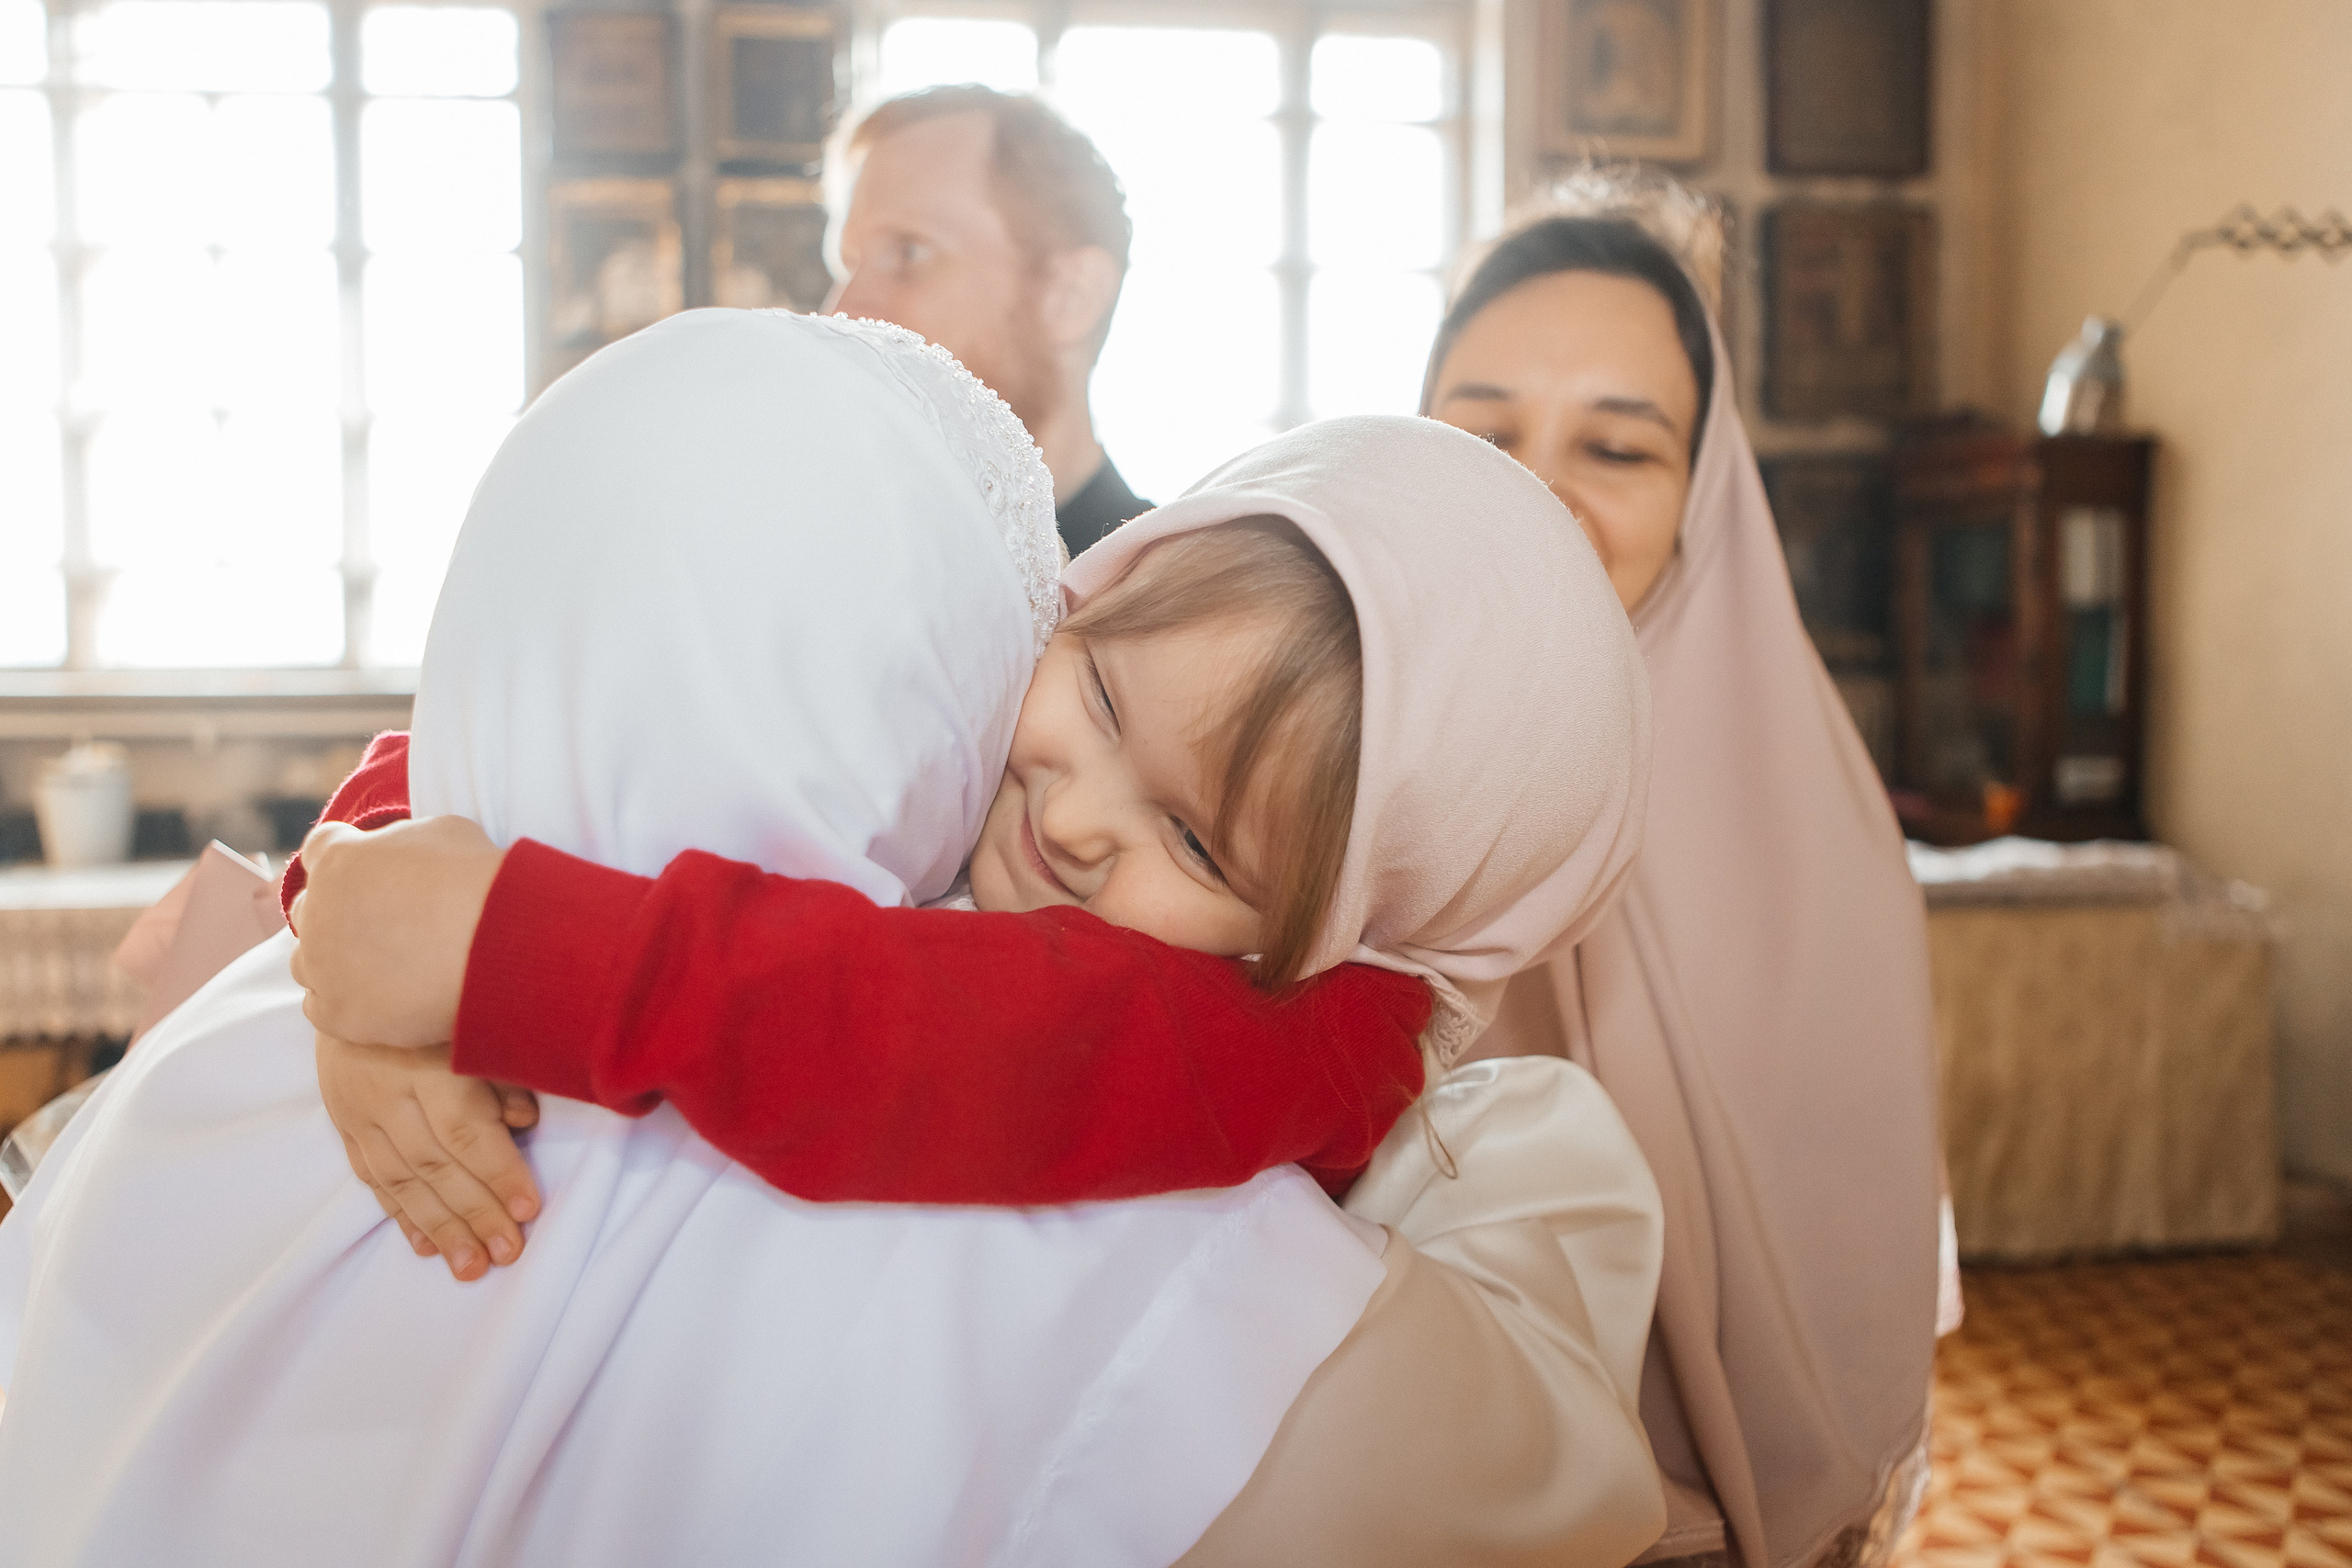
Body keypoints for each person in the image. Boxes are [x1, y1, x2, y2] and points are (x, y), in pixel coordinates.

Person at [0, 310, 1669, 1564]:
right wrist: (358, 896)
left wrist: (505, 954)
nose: (1081, 814)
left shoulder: (1291, 1035)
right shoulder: (936, 819)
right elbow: (513, 766)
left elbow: (949, 1036)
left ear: (1357, 928)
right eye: (1088, 687)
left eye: (1195, 839)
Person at [1425, 188, 1945, 1568]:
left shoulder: (1816, 845)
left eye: (1616, 444)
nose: (1538, 485)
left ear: (1705, 493)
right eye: (1483, 430)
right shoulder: (1311, 771)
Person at [830, 85, 1150, 557]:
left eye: (909, 252)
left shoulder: (1181, 611)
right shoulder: (835, 571)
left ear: (1071, 296)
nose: (843, 310)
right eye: (847, 263)